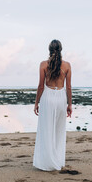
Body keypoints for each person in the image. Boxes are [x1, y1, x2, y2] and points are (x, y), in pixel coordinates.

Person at [33, 39, 72, 171]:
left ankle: (46, 162)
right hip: (61, 97)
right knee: (59, 130)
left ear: (49, 49)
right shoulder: (67, 66)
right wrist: (69, 105)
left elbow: (40, 86)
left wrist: (36, 102)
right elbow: (69, 87)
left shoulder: (43, 64)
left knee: (46, 129)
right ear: (61, 49)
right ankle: (57, 160)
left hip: (48, 97)